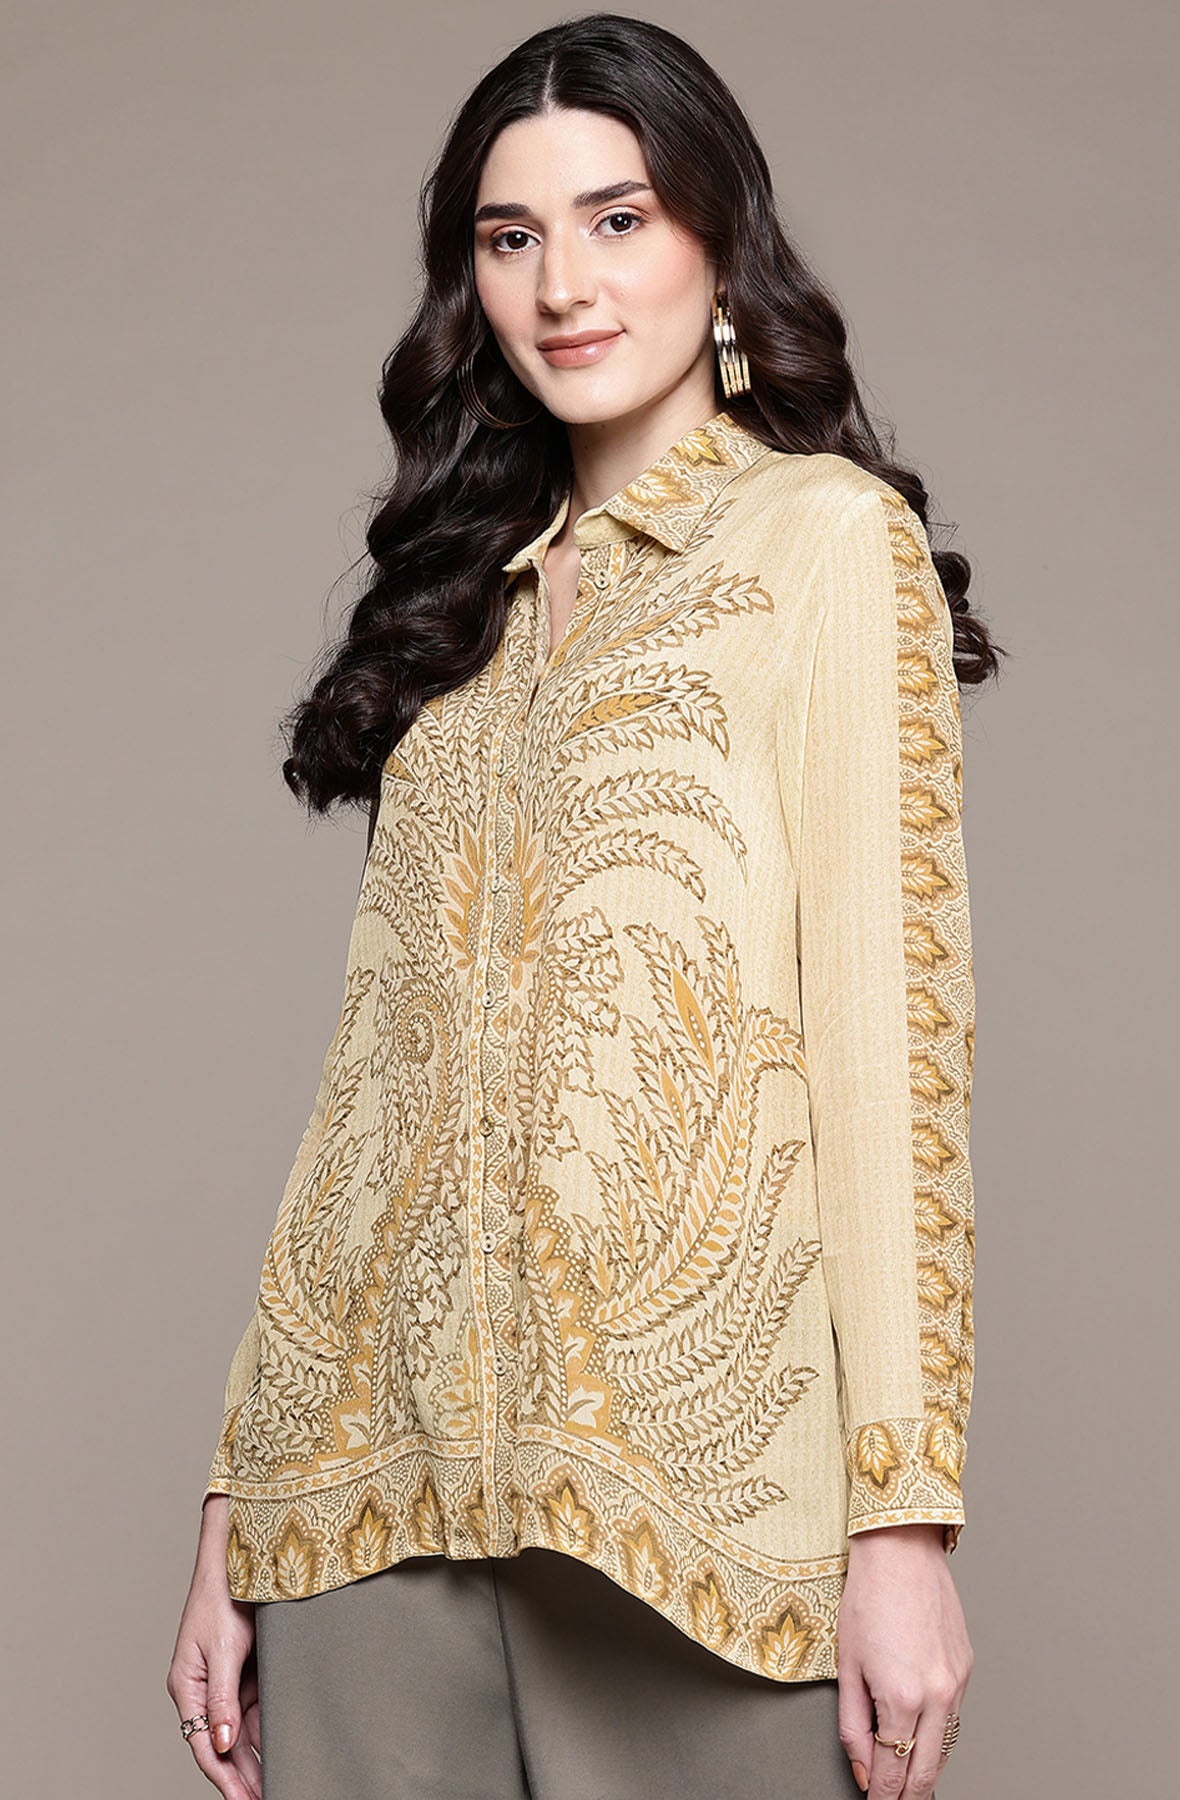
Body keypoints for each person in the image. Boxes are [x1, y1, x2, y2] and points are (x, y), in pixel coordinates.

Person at [166, 13, 1003, 1799]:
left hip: (697, 1520)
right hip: (366, 1508)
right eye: (511, 236)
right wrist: (239, 1501)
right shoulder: (457, 606)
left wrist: (904, 1520)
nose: (563, 284)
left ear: (719, 245)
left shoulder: (823, 544)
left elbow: (889, 1052)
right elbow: (369, 1089)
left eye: (618, 219)